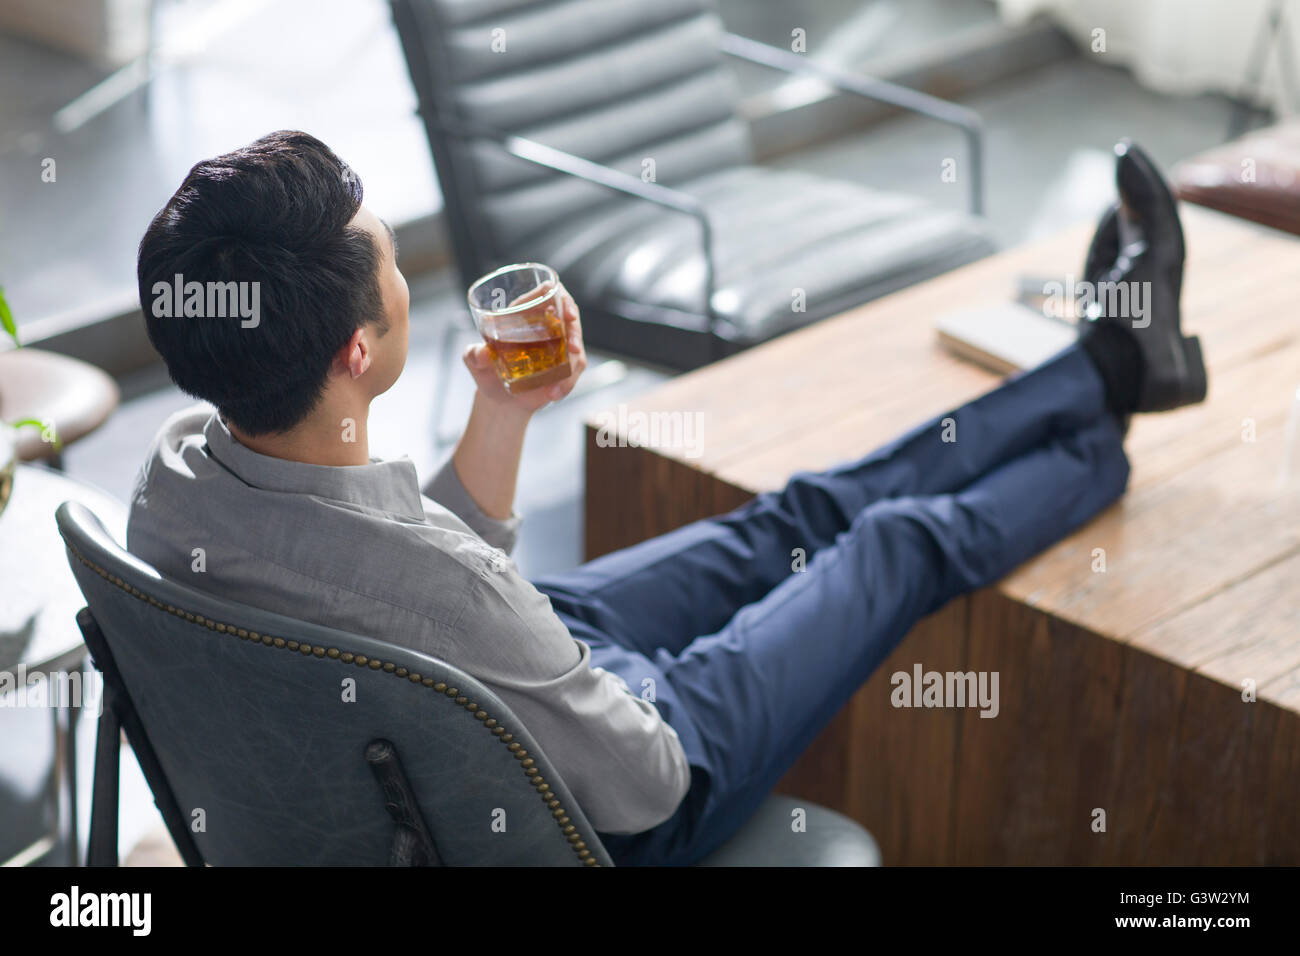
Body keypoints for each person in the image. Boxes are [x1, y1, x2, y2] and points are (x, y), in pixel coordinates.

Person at [129, 130, 1206, 866]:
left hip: (473, 694)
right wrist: (636, 677)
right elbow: (641, 776)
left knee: (792, 519)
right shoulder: (446, 591)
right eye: (397, 259)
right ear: (359, 347)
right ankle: (1101, 425)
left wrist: (500, 418)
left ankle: (1108, 365)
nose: (412, 275)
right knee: (893, 542)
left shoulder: (171, 482)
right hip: (631, 784)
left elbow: (400, 584)